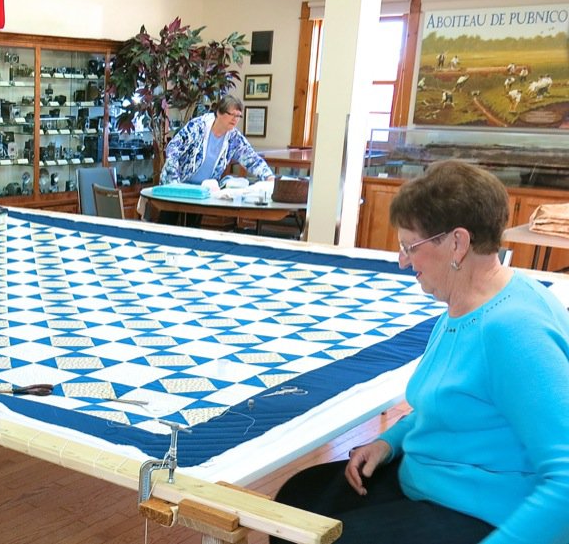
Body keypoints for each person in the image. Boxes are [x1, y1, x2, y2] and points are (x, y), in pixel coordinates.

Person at [271, 160, 569, 544]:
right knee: (295, 503)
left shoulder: (515, 330)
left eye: (410, 246)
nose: (403, 260)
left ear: (457, 243)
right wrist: (388, 442)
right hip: (429, 480)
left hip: (481, 512)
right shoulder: (466, 305)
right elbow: (450, 408)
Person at [158, 95, 274, 225]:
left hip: (201, 191)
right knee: (167, 225)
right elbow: (173, 148)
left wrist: (268, 176)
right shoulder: (197, 127)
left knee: (192, 229)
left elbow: (251, 158)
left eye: (238, 116)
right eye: (232, 115)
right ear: (219, 112)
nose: (235, 120)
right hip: (176, 186)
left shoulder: (234, 137)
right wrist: (174, 182)